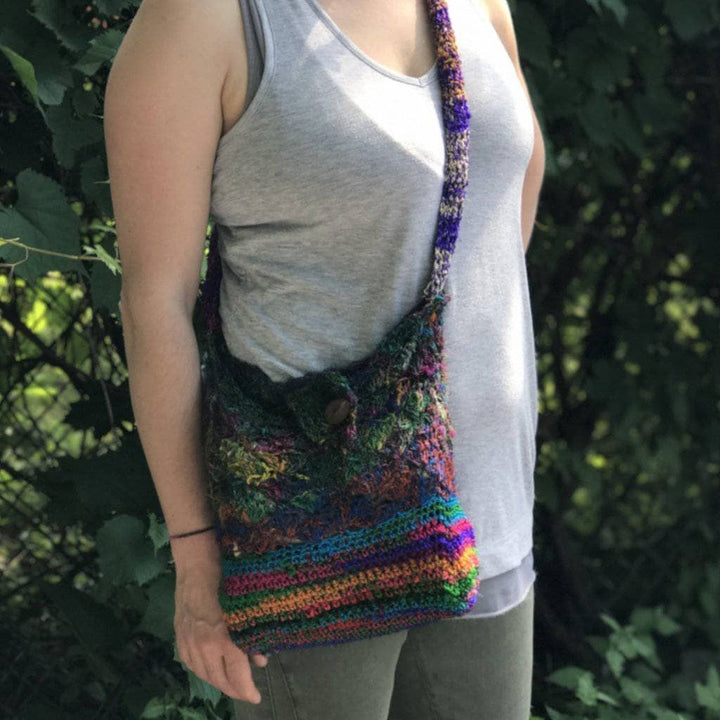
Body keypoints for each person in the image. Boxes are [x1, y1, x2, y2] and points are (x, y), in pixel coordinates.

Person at [103, 0, 546, 717]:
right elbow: (154, 303)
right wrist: (192, 547)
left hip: (489, 510)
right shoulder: (204, 19)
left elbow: (502, 205)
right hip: (313, 531)